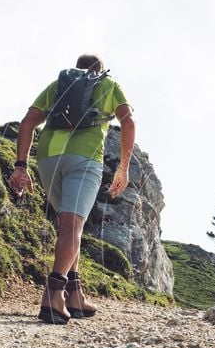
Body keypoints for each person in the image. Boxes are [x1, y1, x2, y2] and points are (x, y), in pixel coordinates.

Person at [8, 53, 135, 325]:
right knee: (73, 227)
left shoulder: (59, 86)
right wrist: (123, 167)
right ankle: (53, 296)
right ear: (100, 71)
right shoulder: (109, 85)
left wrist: (21, 165)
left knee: (68, 226)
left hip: (47, 159)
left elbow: (28, 121)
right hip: (84, 159)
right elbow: (128, 121)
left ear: (76, 71)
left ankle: (74, 295)